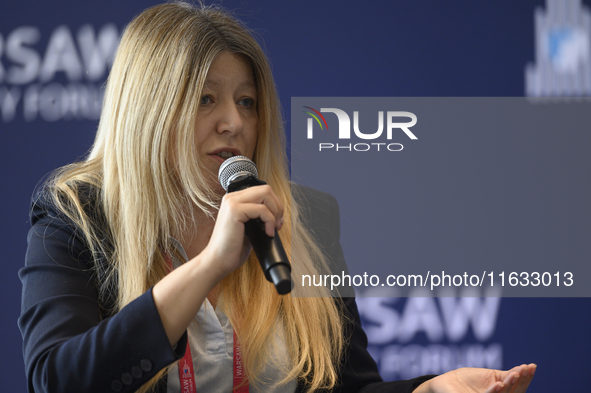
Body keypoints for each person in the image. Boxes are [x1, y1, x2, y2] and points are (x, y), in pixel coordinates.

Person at [19, 2, 536, 393]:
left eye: (247, 101)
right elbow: (56, 379)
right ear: (149, 111)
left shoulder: (303, 217)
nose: (235, 122)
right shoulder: (77, 216)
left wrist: (429, 390)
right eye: (205, 99)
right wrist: (210, 266)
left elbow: (350, 385)